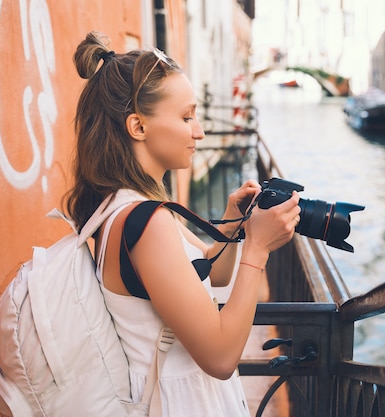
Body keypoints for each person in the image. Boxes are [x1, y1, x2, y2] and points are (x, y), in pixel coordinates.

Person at [65, 31, 301, 416]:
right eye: (186, 116)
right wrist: (257, 249)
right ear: (138, 127)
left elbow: (210, 273)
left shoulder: (125, 207)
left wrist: (231, 224)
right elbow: (222, 357)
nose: (199, 130)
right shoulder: (146, 221)